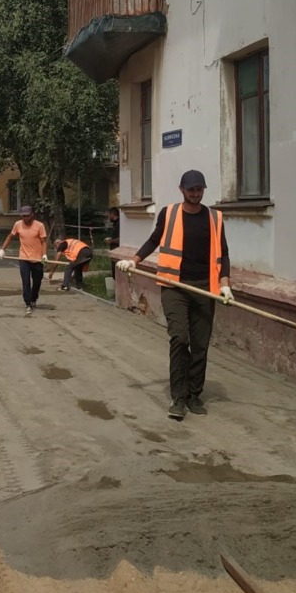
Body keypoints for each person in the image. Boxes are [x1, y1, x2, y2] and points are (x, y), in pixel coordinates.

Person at [116, 170, 233, 422]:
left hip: (205, 288)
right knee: (180, 338)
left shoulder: (215, 217)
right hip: (174, 286)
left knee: (200, 344)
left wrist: (225, 284)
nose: (196, 194)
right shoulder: (169, 213)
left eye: (199, 189)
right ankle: (178, 397)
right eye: (191, 189)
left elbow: (223, 253)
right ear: (182, 190)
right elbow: (154, 240)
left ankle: (194, 395)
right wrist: (134, 261)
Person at [0, 205, 48, 316]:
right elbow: (10, 236)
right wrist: (2, 250)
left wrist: (44, 254)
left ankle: (34, 298)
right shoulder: (18, 224)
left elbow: (43, 241)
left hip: (37, 258)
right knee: (26, 281)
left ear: (32, 215)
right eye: (23, 216)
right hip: (23, 257)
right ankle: (28, 303)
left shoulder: (39, 226)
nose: (25, 218)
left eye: (27, 216)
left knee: (37, 281)